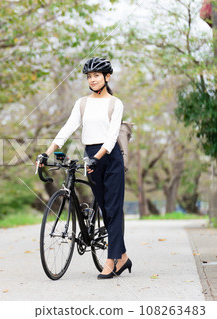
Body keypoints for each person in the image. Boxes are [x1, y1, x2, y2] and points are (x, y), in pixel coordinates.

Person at [36, 57, 132, 280]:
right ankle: (124, 256)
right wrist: (47, 152)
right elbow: (68, 128)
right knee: (105, 209)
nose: (93, 79)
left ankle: (112, 261)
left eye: (97, 75)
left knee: (113, 208)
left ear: (107, 77)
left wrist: (97, 158)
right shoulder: (82, 103)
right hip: (91, 156)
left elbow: (110, 137)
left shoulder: (115, 103)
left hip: (110, 156)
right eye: (89, 76)